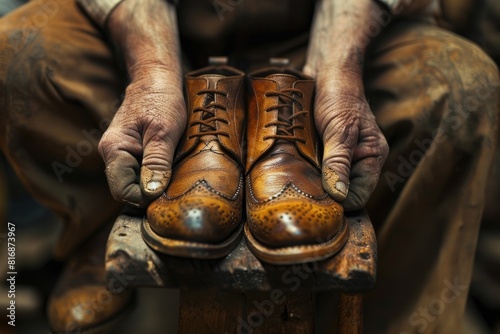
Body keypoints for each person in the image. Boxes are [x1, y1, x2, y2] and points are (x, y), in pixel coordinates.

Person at [0, 0, 498, 333]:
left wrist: (339, 66)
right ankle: (98, 220)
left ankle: (399, 316)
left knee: (463, 85)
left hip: (325, 36)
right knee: (18, 53)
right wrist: (153, 69)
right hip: (153, 30)